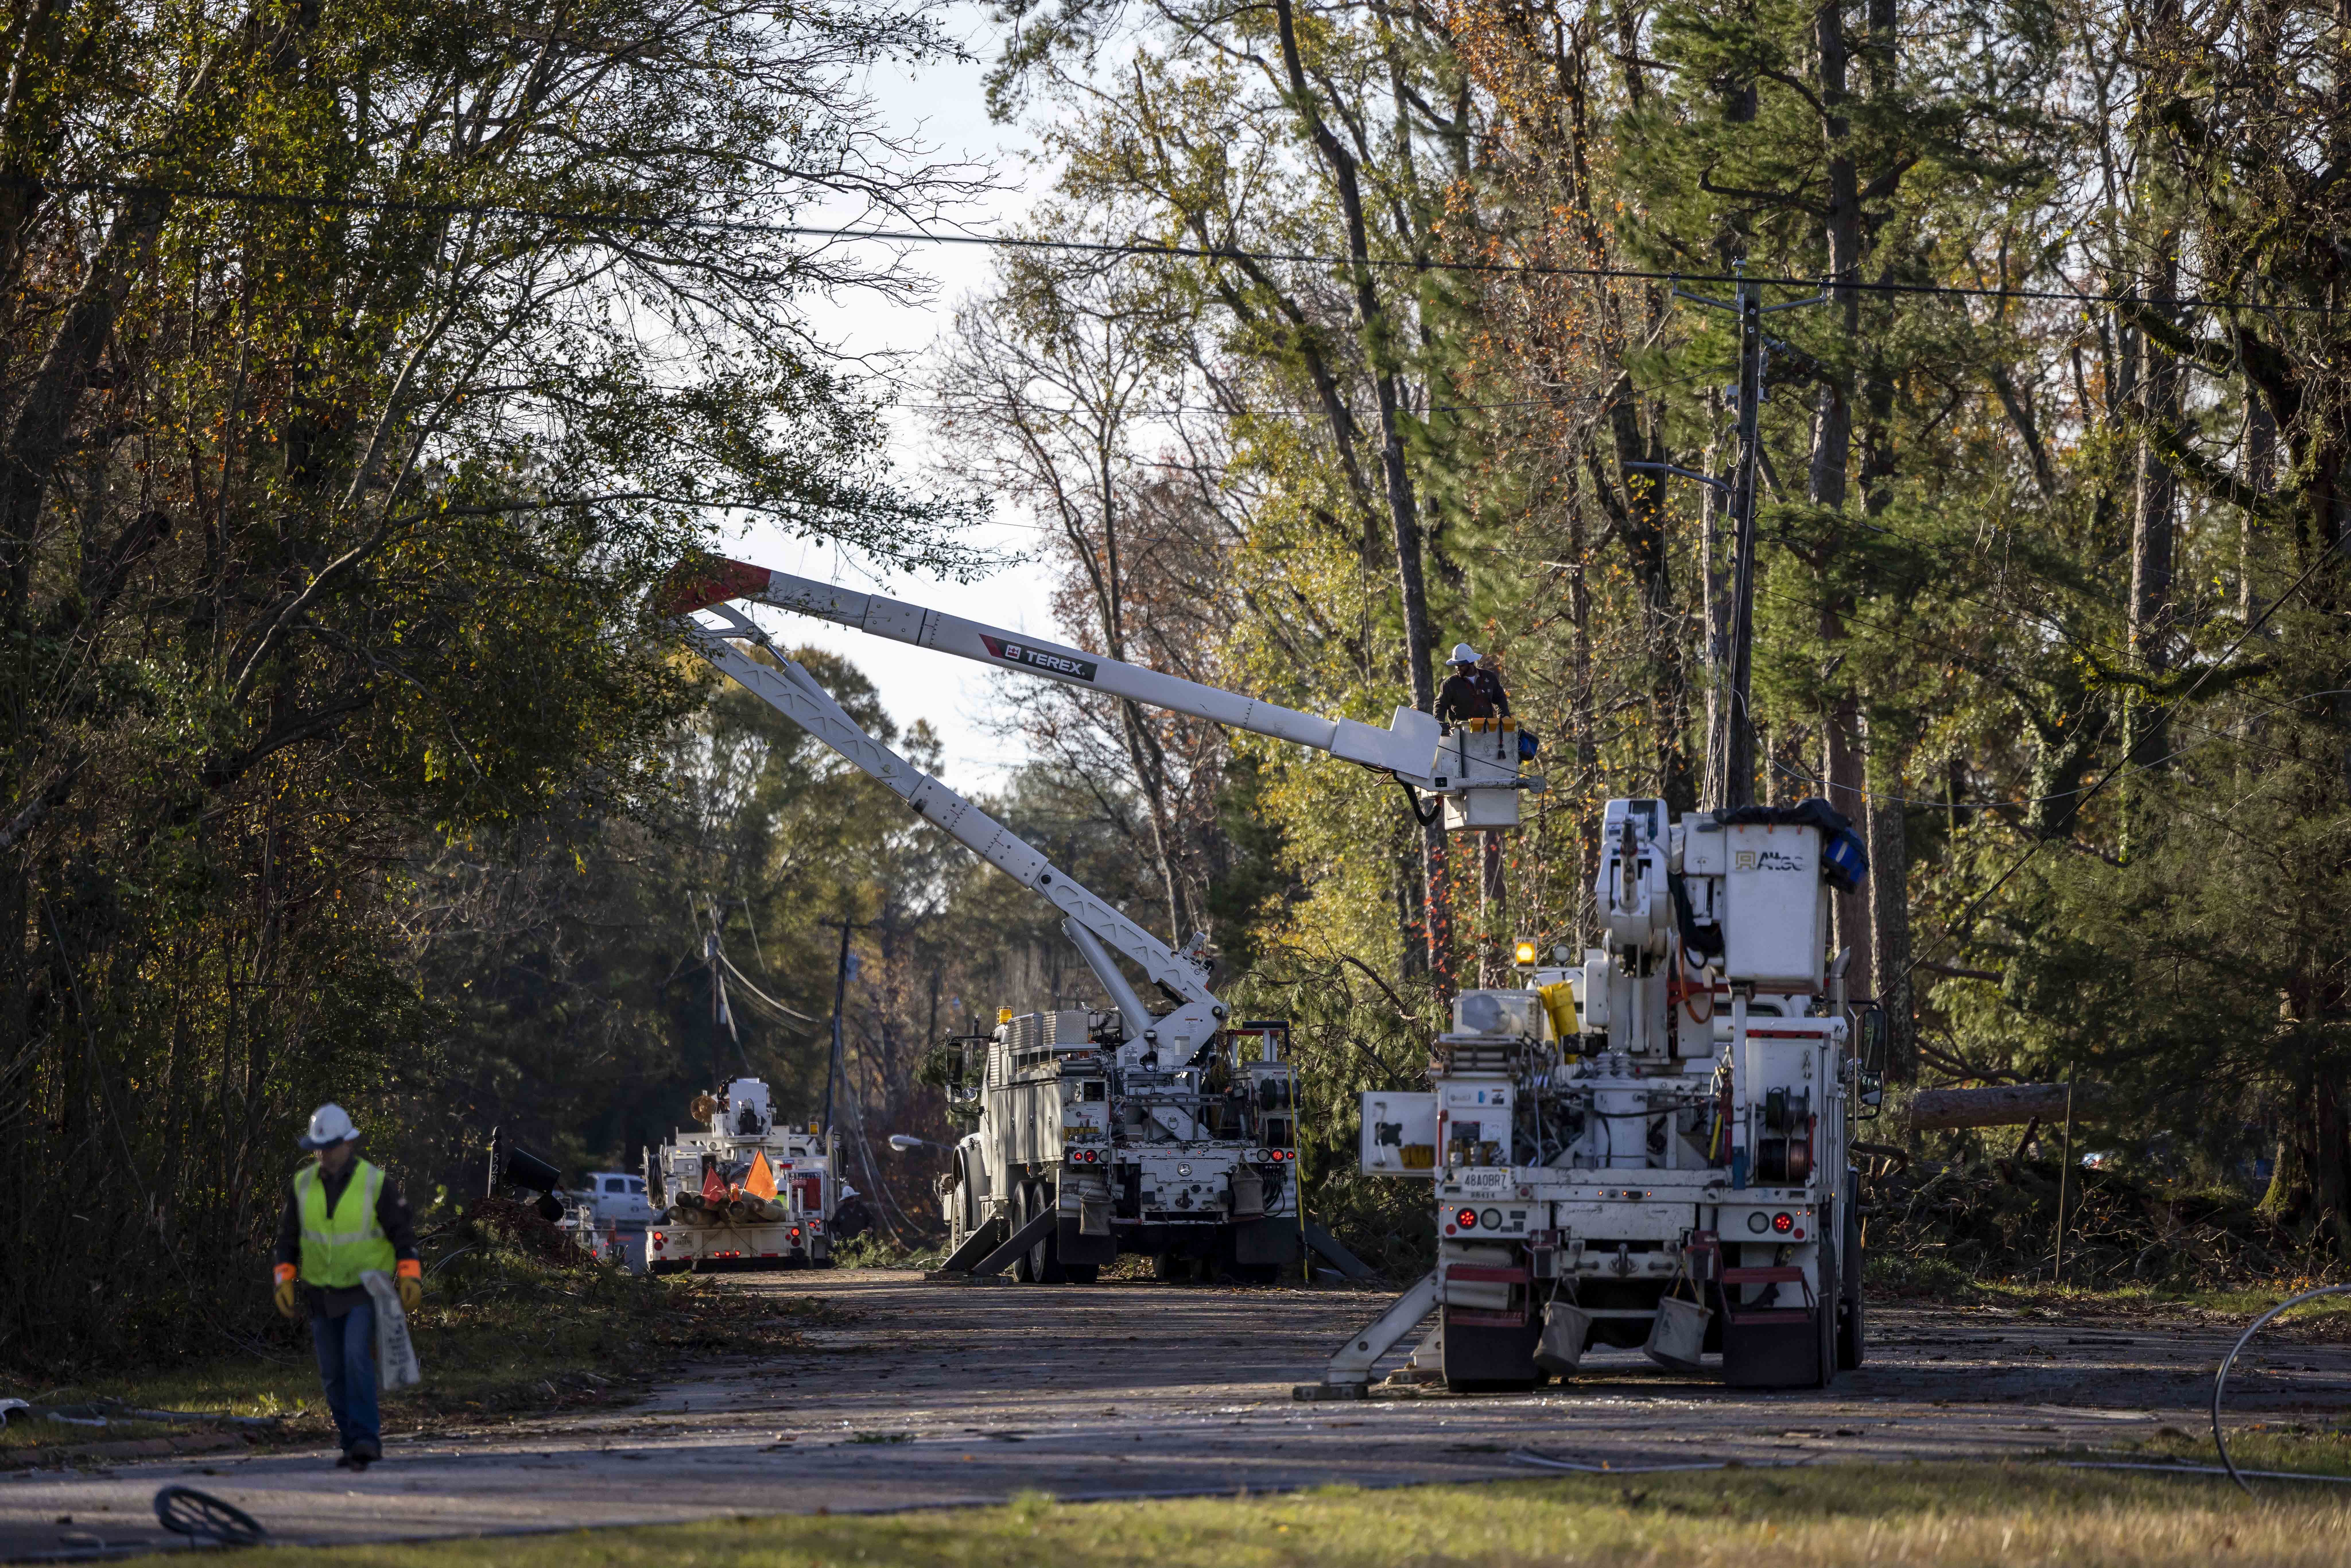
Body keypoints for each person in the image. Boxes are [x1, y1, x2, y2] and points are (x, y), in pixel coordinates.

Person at [272, 1104, 420, 1470]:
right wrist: (284, 1280)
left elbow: (403, 1234)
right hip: (320, 1293)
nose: (323, 1153)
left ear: (348, 1143)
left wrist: (410, 1275)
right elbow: (287, 1240)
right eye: (318, 1147)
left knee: (356, 1356)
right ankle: (350, 1440)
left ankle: (367, 1437)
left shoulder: (375, 1183)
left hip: (364, 1289)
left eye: (330, 1145)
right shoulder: (302, 1185)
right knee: (332, 1372)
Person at [1435, 643, 1510, 728]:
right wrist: (1438, 722)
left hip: (1488, 731)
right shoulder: (1449, 684)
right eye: (1456, 665)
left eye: (1461, 665)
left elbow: (1500, 698)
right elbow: (1440, 705)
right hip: (1460, 735)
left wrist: (1505, 717)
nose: (1458, 668)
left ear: (1471, 663)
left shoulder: (1489, 678)